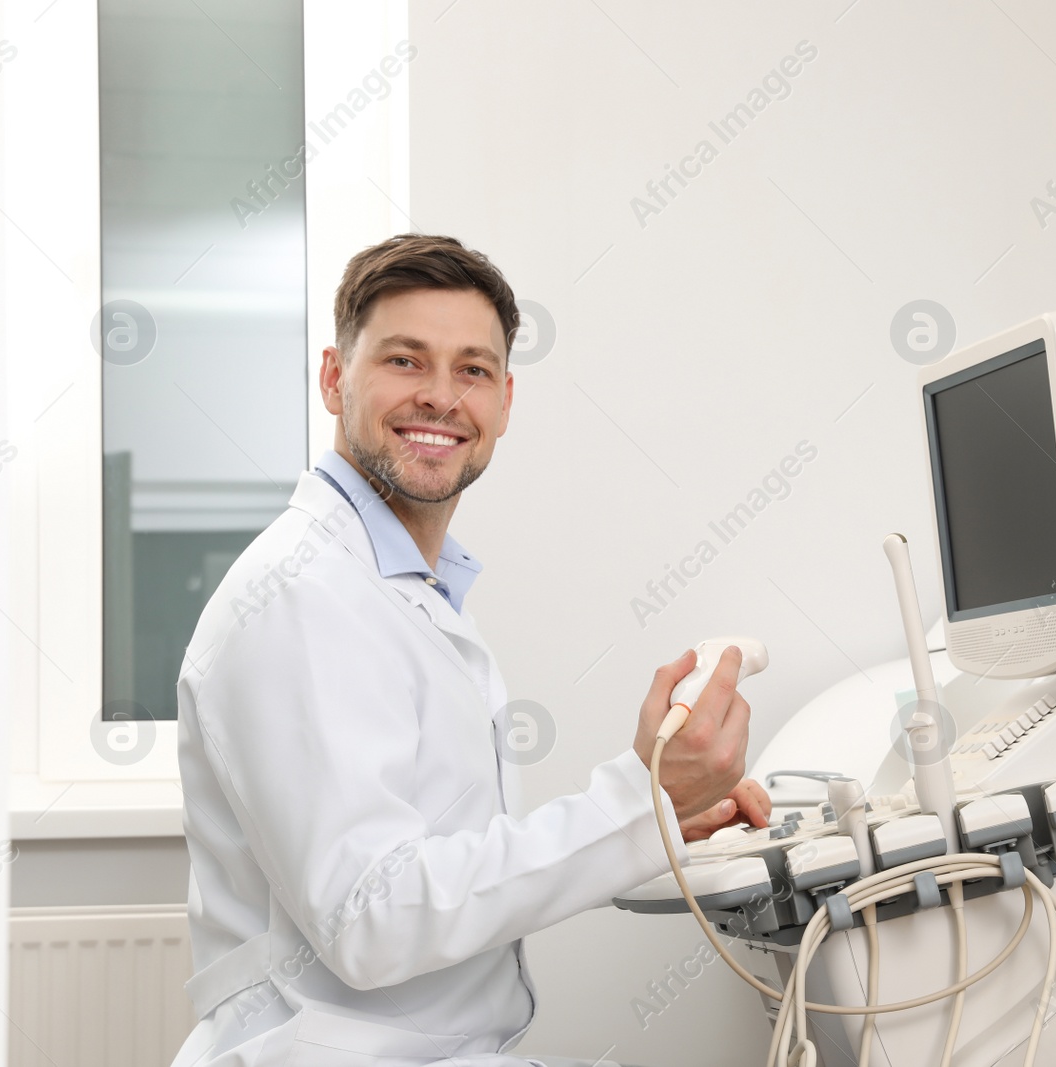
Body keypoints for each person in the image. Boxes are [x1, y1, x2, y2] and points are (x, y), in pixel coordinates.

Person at [170, 234, 770, 1067]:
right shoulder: (302, 593)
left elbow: (435, 868)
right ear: (335, 378)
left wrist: (655, 821)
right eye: (406, 361)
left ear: (505, 400)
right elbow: (372, 916)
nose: (442, 398)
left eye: (473, 370)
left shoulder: (403, 585)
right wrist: (636, 801)